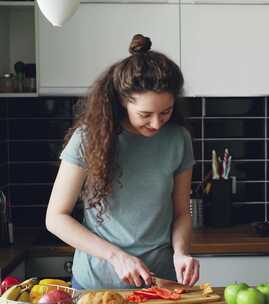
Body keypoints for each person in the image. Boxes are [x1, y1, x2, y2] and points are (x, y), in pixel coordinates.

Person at [45, 34, 199, 290]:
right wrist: (116, 256)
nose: (157, 123)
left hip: (160, 282)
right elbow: (56, 218)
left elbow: (182, 213)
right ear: (122, 102)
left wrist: (181, 252)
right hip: (96, 284)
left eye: (166, 112)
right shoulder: (88, 138)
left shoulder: (178, 139)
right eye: (145, 114)